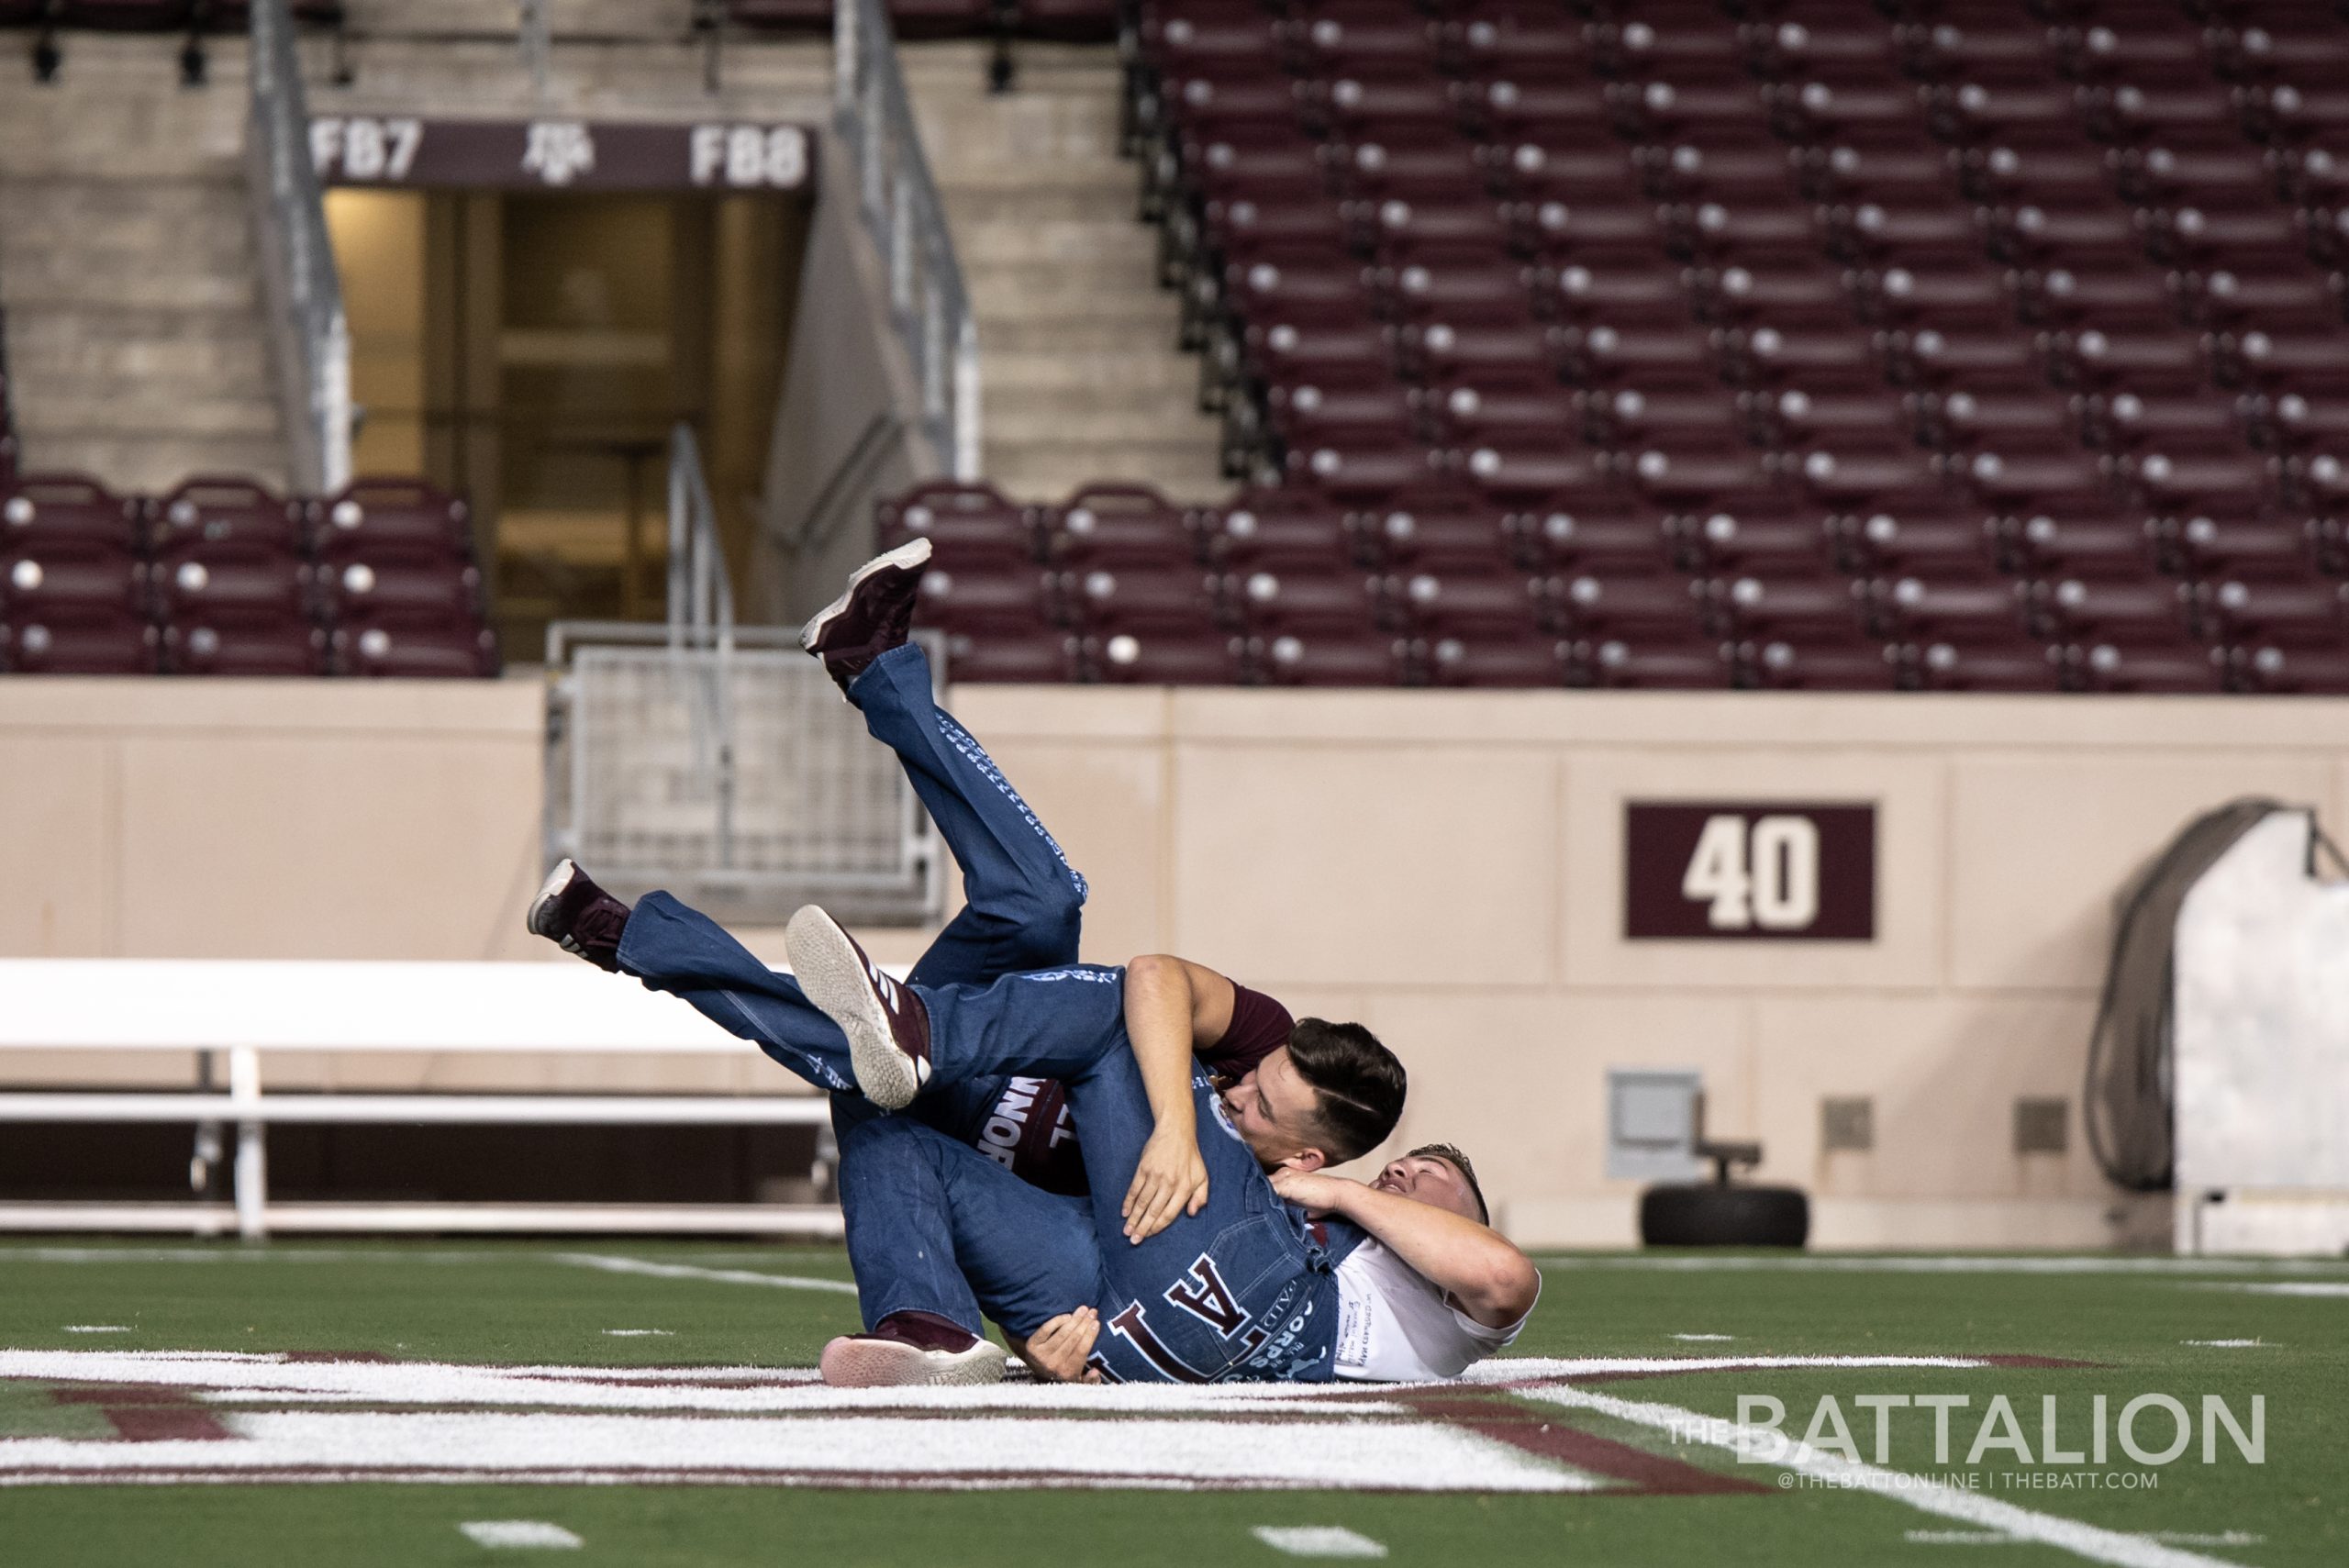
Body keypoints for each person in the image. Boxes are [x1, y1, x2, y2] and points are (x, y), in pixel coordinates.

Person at [529, 539, 1438, 1378]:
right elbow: (1156, 979)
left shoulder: (1265, 1210)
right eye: (1253, 1077)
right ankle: (872, 669)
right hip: (1000, 1029)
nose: (1239, 1090)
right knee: (1046, 903)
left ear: (1306, 1154)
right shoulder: (1259, 1043)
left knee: (860, 1083)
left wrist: (1053, 1346)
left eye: (1260, 1105)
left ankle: (626, 935)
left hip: (944, 1140)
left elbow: (1067, 1260)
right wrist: (1172, 1121)